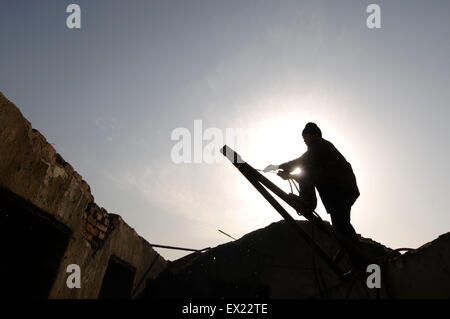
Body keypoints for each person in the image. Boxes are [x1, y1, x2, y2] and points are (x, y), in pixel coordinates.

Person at [275, 122, 360, 247]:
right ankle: (356, 255)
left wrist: (283, 167)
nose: (304, 140)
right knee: (341, 225)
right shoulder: (320, 154)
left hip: (339, 188)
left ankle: (307, 202)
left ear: (314, 135)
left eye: (305, 136)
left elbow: (304, 163)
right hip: (342, 189)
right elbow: (310, 177)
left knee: (341, 224)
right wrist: (290, 175)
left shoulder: (319, 144)